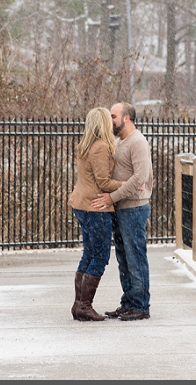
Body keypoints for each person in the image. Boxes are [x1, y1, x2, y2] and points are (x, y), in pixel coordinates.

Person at [90, 102, 153, 321]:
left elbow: (140, 178)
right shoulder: (119, 142)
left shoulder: (138, 142)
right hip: (121, 208)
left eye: (113, 116)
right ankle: (128, 303)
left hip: (134, 208)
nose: (110, 121)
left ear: (126, 118)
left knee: (135, 257)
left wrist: (112, 197)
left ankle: (140, 306)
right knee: (124, 259)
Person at [67, 107, 126, 322]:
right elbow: (104, 182)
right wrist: (127, 184)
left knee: (89, 254)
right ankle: (84, 305)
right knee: (100, 256)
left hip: (82, 204)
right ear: (103, 123)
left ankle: (78, 305)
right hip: (95, 207)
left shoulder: (84, 145)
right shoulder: (100, 147)